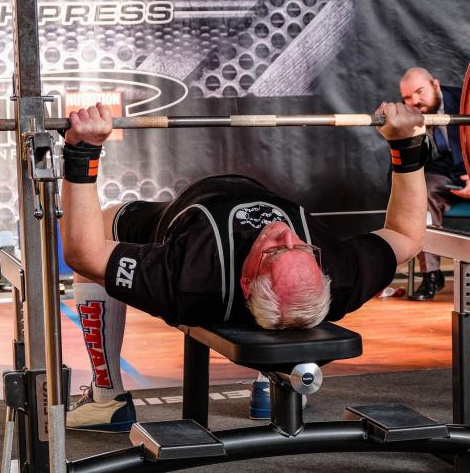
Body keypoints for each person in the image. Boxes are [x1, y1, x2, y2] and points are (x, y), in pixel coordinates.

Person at [59, 100, 428, 431]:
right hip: (250, 212)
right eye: (302, 249)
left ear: (247, 281)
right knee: (286, 305)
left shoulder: (190, 279)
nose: (284, 233)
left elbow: (83, 253)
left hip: (180, 217)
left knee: (103, 225)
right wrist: (406, 147)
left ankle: (107, 399)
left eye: (276, 251)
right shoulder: (340, 275)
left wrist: (83, 152)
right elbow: (406, 235)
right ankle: (274, 381)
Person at [398, 68, 470, 300]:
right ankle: (431, 275)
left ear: (435, 85)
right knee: (419, 194)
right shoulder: (406, 114)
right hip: (443, 176)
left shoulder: (469, 101)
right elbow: (401, 165)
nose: (415, 101)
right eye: (407, 97)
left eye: (420, 92)